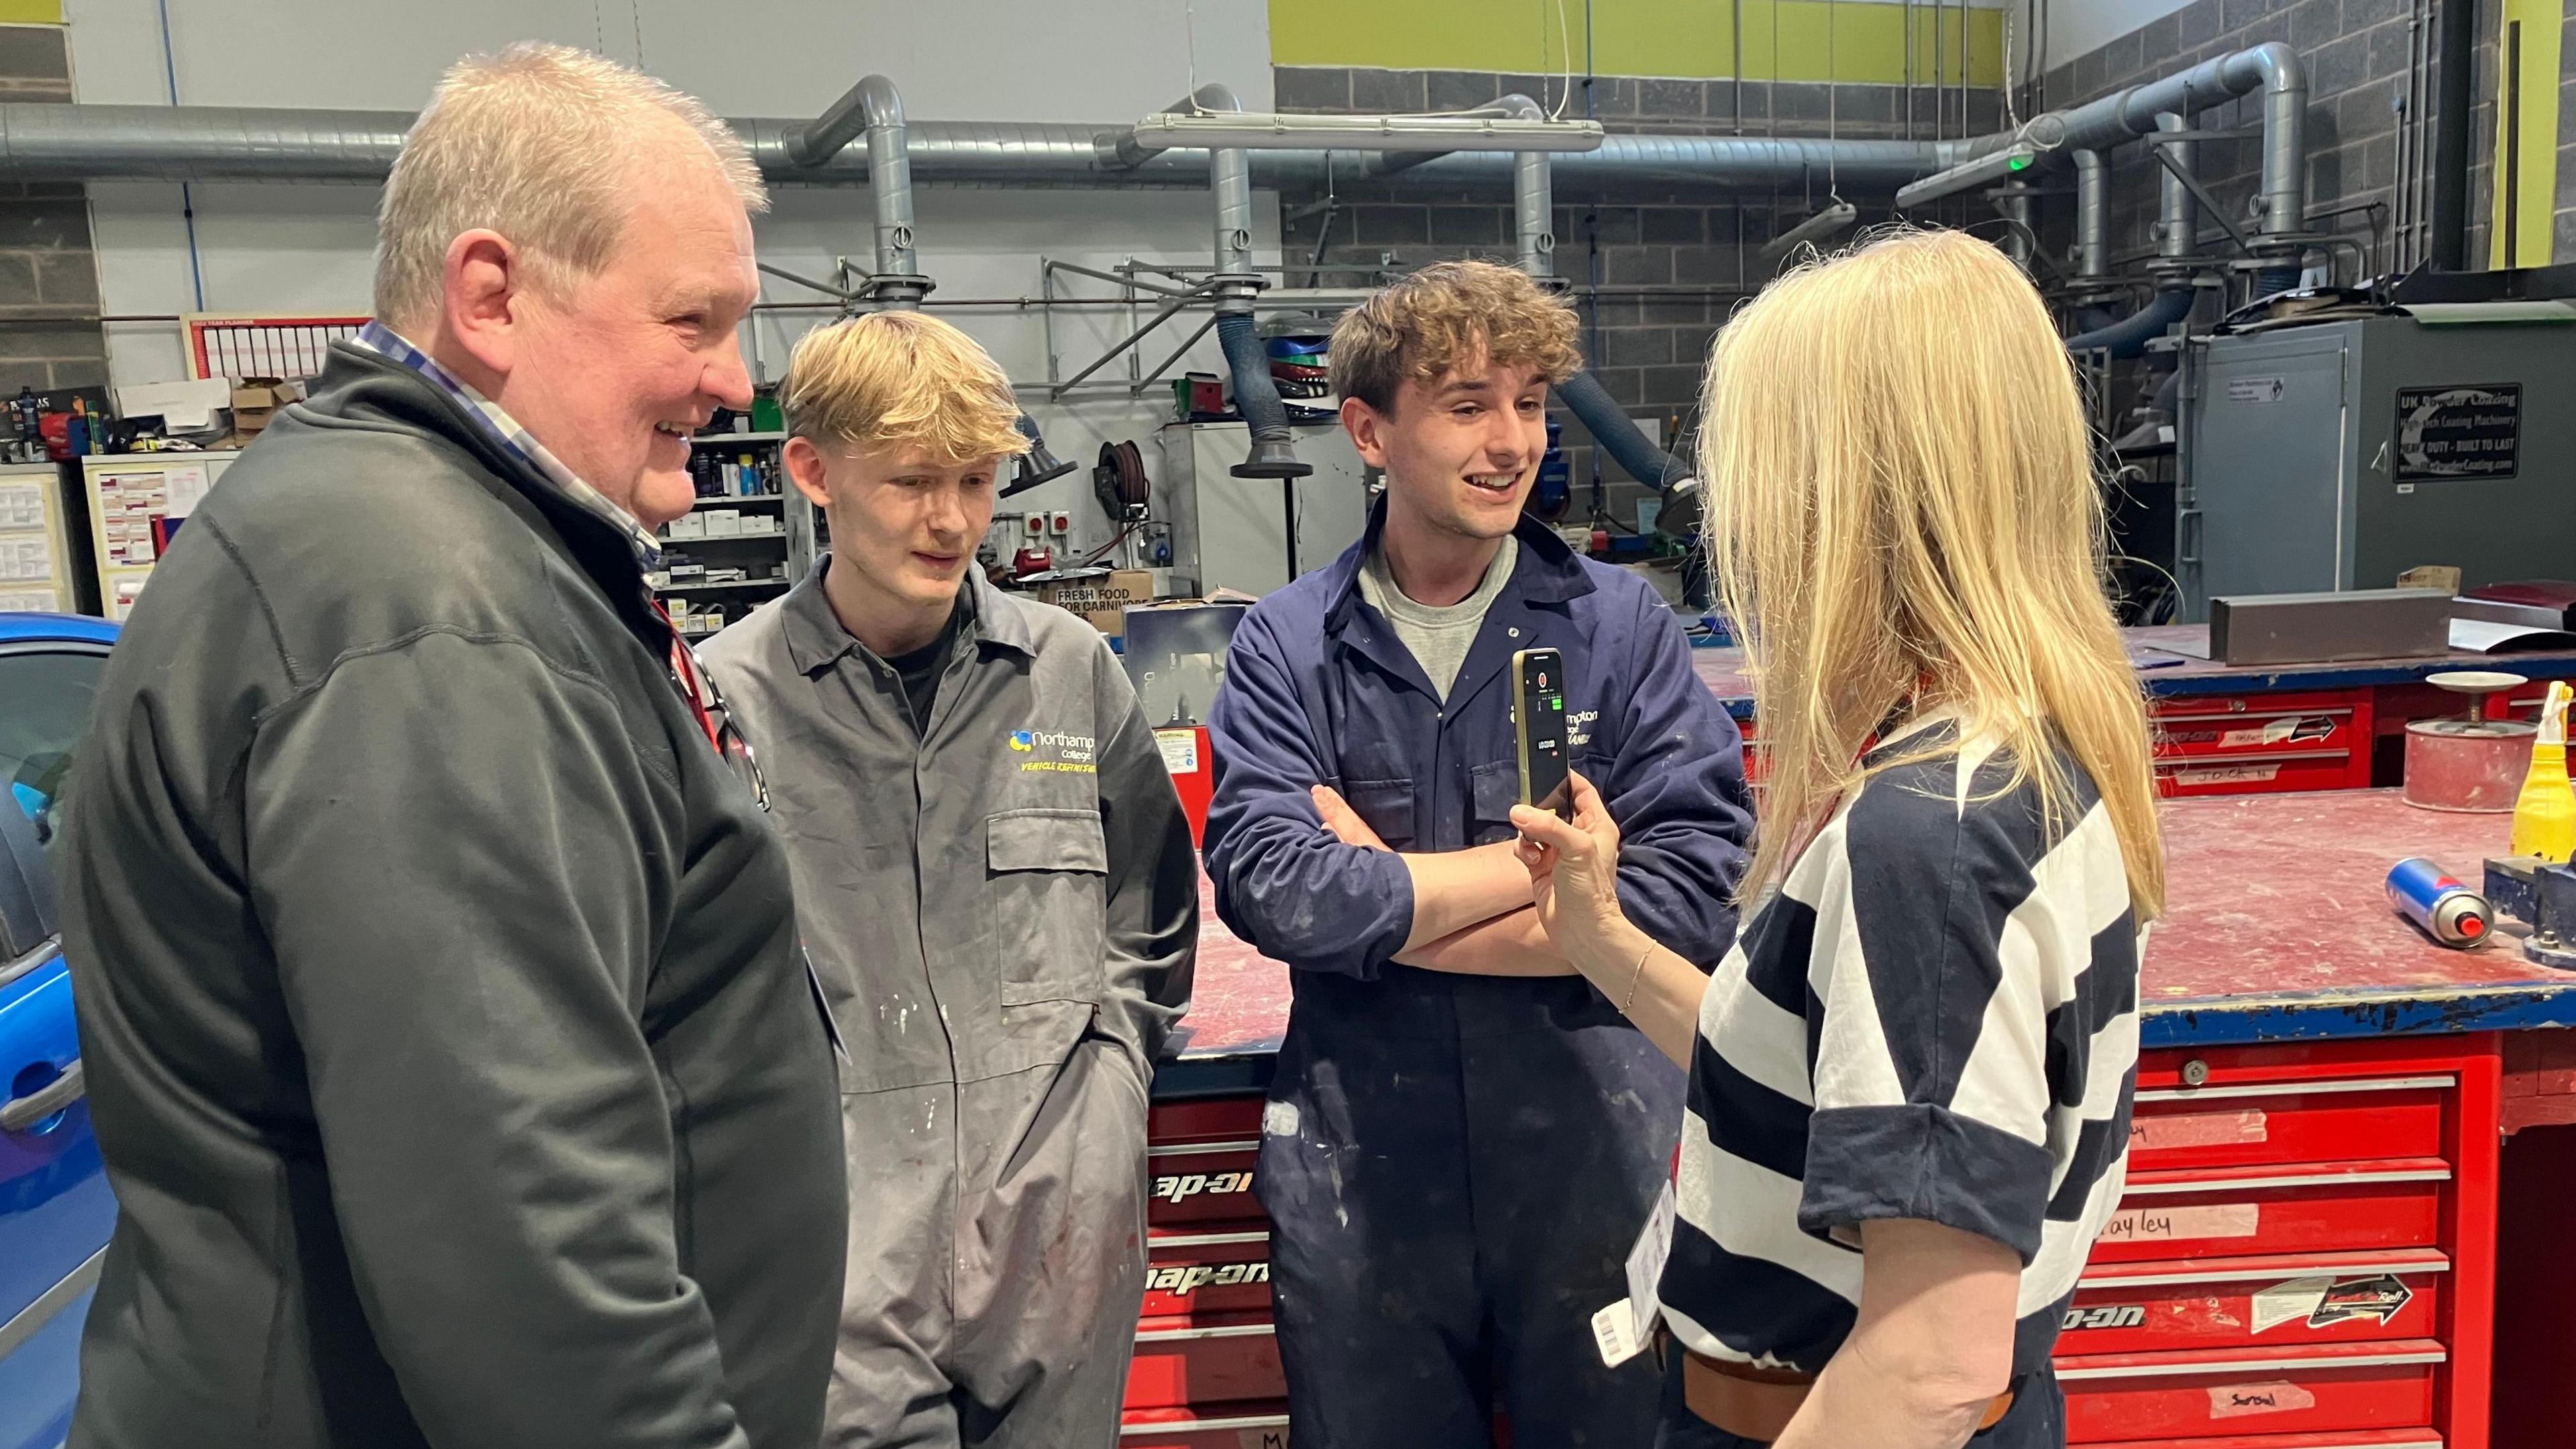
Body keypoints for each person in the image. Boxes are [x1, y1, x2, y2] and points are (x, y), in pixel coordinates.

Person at [54, 44, 845, 1449]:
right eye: (693, 320)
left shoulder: (425, 548)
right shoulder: (431, 613)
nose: (736, 379)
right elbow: (518, 1218)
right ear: (492, 296)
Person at [1511, 228, 2164, 1449]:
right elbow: (1809, 1083)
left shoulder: (1931, 836)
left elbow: (1927, 1365)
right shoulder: (2012, 752)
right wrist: (1601, 939)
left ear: (1844, 500)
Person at [1201, 258, 1755, 1448]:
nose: (1512, 443)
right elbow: (1282, 892)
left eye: (1530, 403)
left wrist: (1391, 905)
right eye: (1465, 406)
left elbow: (1690, 898)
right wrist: (1560, 885)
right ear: (1368, 430)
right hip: (1365, 1172)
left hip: (1595, 1162)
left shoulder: (1619, 630)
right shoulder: (1290, 648)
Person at [698, 309, 1197, 1449]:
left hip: (1057, 1220)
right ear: (813, 472)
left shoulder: (1065, 671)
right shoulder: (727, 705)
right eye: (913, 481)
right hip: (836, 1232)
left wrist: (1111, 1087)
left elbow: (1150, 904)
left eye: (976, 481)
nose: (953, 519)